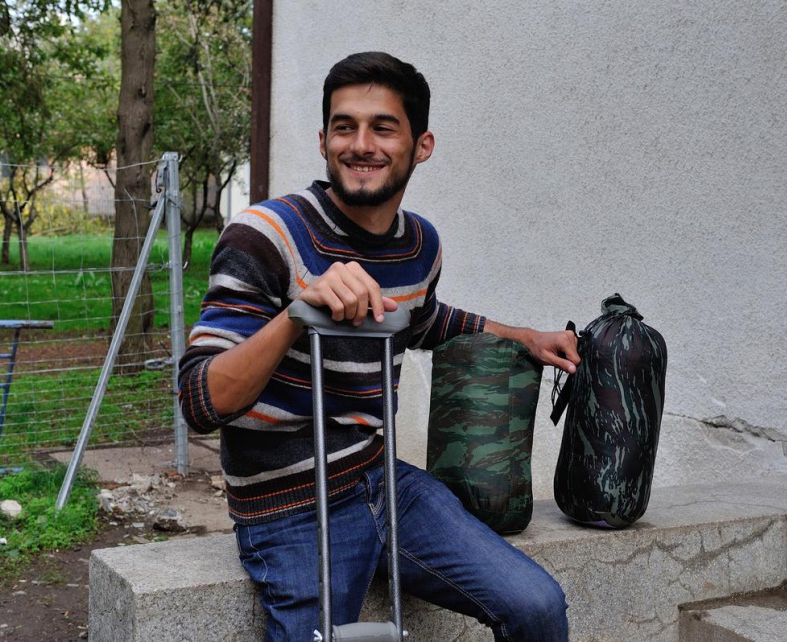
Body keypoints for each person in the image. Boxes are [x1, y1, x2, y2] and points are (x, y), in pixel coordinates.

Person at [178, 51, 580, 642]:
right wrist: (299, 313)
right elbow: (200, 400)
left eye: (383, 127)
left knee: (538, 607)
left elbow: (422, 317)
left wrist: (523, 337)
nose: (360, 144)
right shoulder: (265, 235)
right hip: (289, 506)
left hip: (383, 482)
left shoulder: (420, 244)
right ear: (322, 140)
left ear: (422, 145)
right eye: (345, 126)